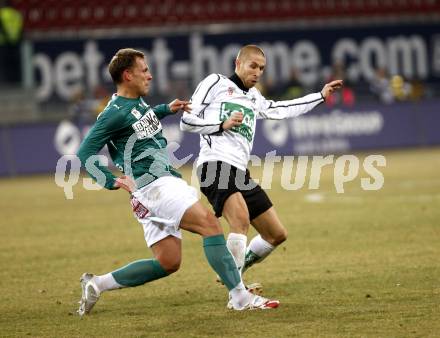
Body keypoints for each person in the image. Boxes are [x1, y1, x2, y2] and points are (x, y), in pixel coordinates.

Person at [76, 48, 279, 315]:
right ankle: (239, 296)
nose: (150, 75)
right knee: (210, 224)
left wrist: (165, 109)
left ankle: (97, 283)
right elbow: (85, 152)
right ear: (127, 75)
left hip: (148, 192)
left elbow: (140, 122)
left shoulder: (134, 103)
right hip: (156, 184)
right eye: (144, 70)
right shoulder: (113, 112)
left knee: (168, 262)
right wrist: (109, 181)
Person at [180, 45, 343, 286]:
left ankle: (232, 271)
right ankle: (237, 293)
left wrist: (319, 96)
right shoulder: (215, 83)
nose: (257, 72)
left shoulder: (254, 97)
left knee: (275, 234)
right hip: (214, 164)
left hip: (239, 170)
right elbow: (186, 121)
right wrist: (220, 124)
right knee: (240, 222)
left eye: (262, 68)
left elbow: (281, 110)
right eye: (253, 66)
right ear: (238, 64)